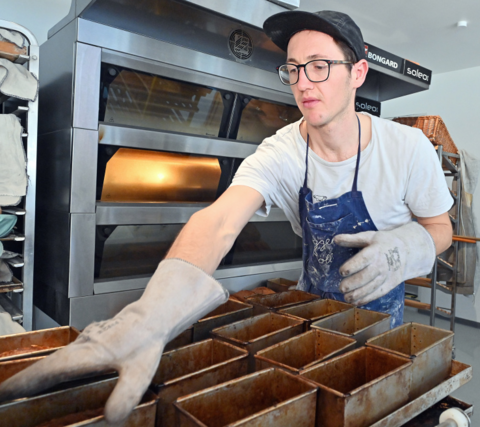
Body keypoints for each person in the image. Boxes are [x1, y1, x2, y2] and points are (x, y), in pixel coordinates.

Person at [0, 10, 453, 424]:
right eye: (293, 69)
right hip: (316, 319)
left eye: (319, 65)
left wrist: (408, 247)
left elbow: (441, 230)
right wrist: (149, 318)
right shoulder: (282, 150)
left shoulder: (406, 149)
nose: (303, 83)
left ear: (357, 73)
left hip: (385, 332)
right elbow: (218, 220)